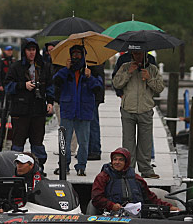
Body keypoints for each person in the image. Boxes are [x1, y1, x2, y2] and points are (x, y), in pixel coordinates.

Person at [4, 38, 54, 175]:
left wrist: (50, 102)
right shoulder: (16, 67)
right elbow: (7, 87)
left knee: (38, 141)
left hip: (38, 110)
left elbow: (50, 86)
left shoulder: (44, 66)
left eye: (34, 50)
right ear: (24, 51)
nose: (31, 53)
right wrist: (23, 85)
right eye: (29, 50)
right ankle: (15, 169)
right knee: (18, 142)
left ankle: (38, 167)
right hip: (20, 111)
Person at [53, 45, 103, 176]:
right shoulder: (65, 71)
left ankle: (81, 166)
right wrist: (66, 69)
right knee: (65, 140)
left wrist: (89, 77)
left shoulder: (91, 70)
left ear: (84, 56)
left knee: (84, 141)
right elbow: (55, 81)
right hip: (68, 109)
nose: (76, 57)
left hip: (84, 111)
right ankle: (64, 166)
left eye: (78, 54)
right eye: (73, 54)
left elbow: (98, 88)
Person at [113, 50, 164, 179]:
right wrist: (128, 72)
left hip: (145, 109)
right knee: (128, 141)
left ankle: (146, 170)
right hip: (128, 109)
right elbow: (116, 83)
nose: (137, 56)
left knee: (145, 142)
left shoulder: (152, 69)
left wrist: (149, 79)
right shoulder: (125, 66)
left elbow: (160, 87)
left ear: (145, 54)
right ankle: (129, 169)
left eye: (140, 54)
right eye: (135, 54)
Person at [91, 147, 180, 213]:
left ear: (126, 162)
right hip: (112, 214)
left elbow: (151, 198)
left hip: (136, 215)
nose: (117, 162)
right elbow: (97, 198)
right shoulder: (103, 177)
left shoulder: (136, 178)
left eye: (121, 160)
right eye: (115, 159)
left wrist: (169, 207)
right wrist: (111, 205)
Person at [88, 64, 106, 161]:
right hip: (88, 95)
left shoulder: (95, 61)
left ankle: (95, 150)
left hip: (94, 95)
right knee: (87, 124)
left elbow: (98, 75)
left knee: (93, 124)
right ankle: (88, 149)